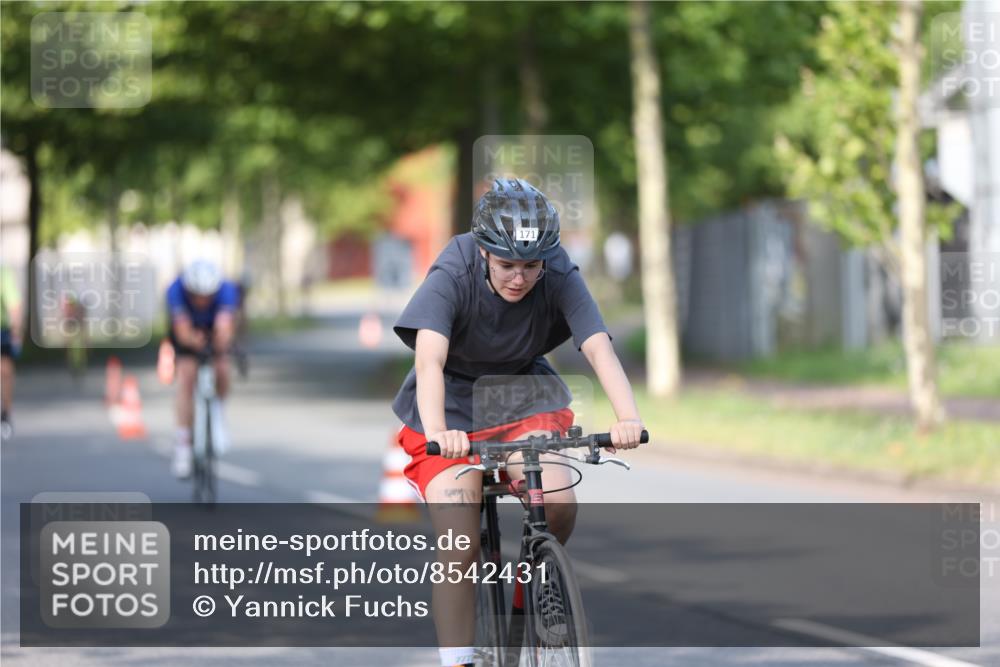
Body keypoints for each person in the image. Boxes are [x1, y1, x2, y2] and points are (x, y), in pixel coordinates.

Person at [392, 178, 646, 667]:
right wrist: (439, 430)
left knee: (555, 499)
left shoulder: (557, 268)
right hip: (450, 405)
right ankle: (459, 660)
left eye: (531, 267)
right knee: (459, 545)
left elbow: (596, 344)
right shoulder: (455, 267)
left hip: (523, 395)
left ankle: (537, 585)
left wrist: (627, 417)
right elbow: (429, 361)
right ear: (485, 252)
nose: (520, 278)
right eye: (507, 265)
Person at [166, 260, 239, 478]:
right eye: (196, 295)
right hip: (187, 332)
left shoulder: (226, 290)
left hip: (212, 329)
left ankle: (218, 413)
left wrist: (219, 341)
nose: (201, 300)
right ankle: (183, 444)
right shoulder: (175, 290)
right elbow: (181, 331)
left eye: (207, 296)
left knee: (223, 367)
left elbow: (225, 327)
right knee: (186, 378)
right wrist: (192, 340)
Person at [1, 265, 23, 440]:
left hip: (1, 331)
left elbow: (14, 305)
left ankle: (6, 414)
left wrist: (16, 331)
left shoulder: (3, 273)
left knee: (5, 371)